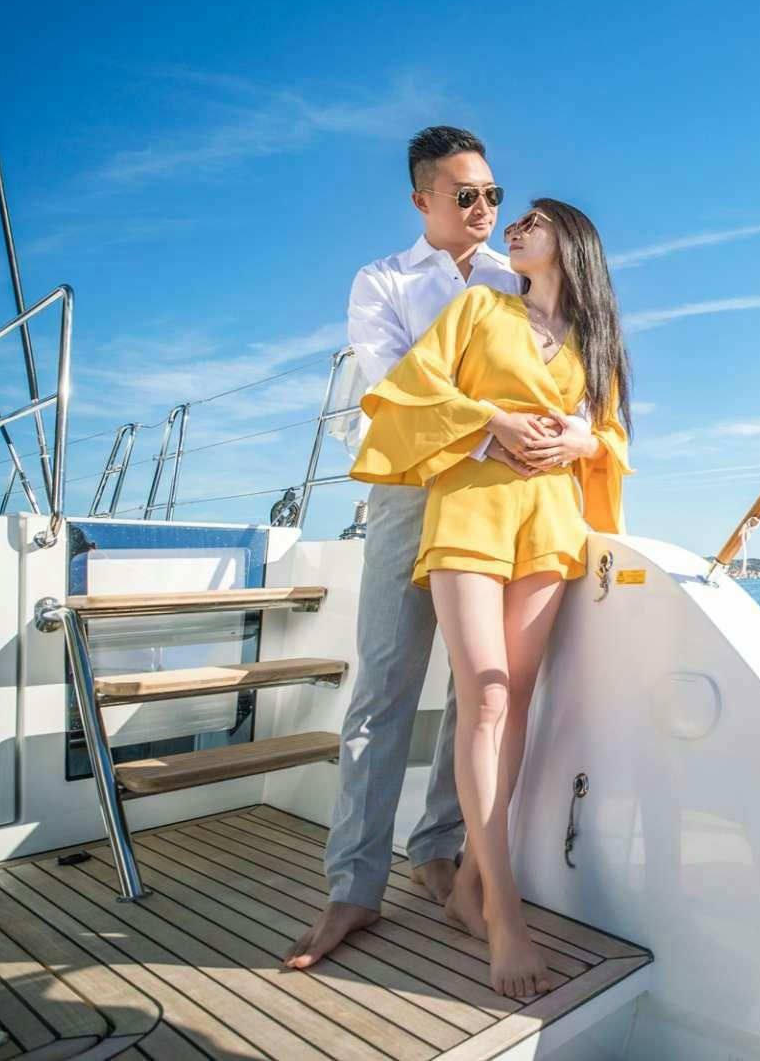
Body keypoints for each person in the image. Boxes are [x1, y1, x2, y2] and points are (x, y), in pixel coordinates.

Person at [347, 197, 633, 997]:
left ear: (572, 244)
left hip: (548, 522)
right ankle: (504, 914)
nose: (514, 224)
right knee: (487, 697)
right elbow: (408, 392)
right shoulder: (478, 306)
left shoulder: (592, 344)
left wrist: (586, 439)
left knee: (520, 699)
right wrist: (493, 418)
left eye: (532, 217)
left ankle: (471, 882)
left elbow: (610, 434)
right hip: (470, 504)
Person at [284, 125, 535, 971]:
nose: (486, 209)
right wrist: (489, 425)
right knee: (384, 689)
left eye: (494, 194)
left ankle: (436, 848)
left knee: (477, 687)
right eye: (468, 195)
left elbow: (545, 373)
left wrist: (507, 430)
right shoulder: (381, 281)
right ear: (423, 198)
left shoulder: (516, 280)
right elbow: (393, 386)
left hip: (493, 501)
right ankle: (352, 887)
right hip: (404, 495)